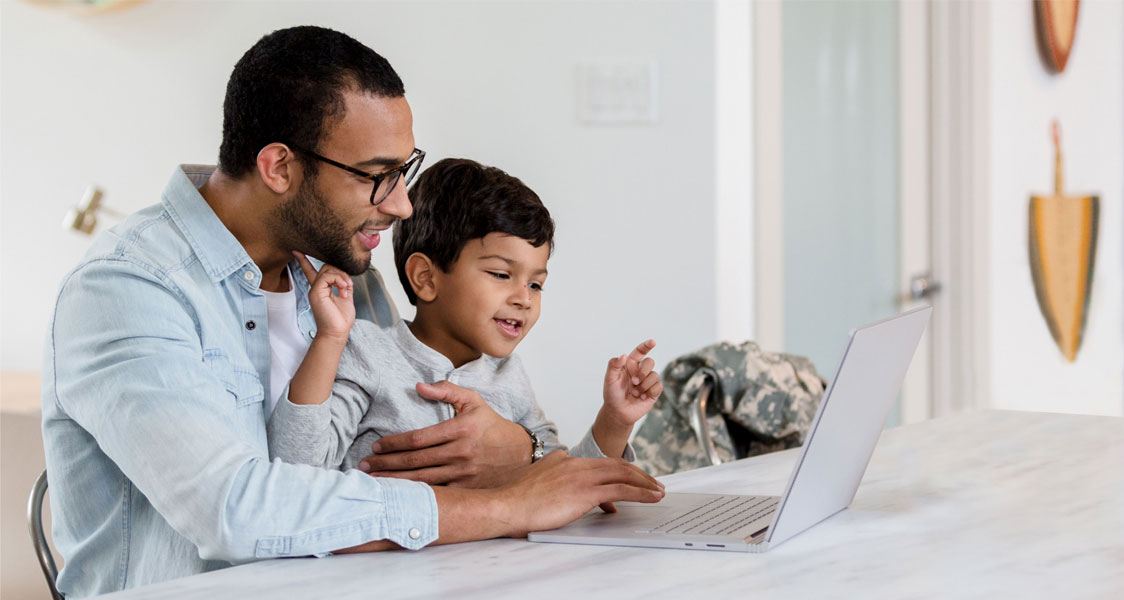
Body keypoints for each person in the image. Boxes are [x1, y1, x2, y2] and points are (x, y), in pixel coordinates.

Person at [41, 25, 663, 598]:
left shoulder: (340, 274)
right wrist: (514, 506)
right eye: (377, 176)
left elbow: (402, 430)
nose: (400, 207)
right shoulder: (128, 290)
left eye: (405, 171)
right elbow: (234, 510)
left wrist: (522, 452)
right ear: (279, 166)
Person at [266, 157, 664, 474]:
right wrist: (331, 339)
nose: (524, 299)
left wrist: (614, 421)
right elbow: (296, 467)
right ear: (425, 277)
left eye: (536, 284)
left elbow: (563, 479)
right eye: (501, 275)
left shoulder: (508, 376)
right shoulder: (368, 352)